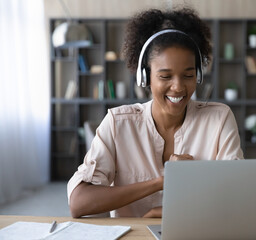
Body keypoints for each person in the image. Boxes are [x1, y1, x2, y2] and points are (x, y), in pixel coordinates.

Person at [67, 7, 244, 218]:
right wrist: (163, 181)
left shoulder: (219, 119)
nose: (178, 87)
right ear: (145, 78)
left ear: (197, 76)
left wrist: (165, 212)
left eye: (187, 75)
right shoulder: (118, 123)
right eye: (165, 76)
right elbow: (79, 203)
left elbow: (235, 196)